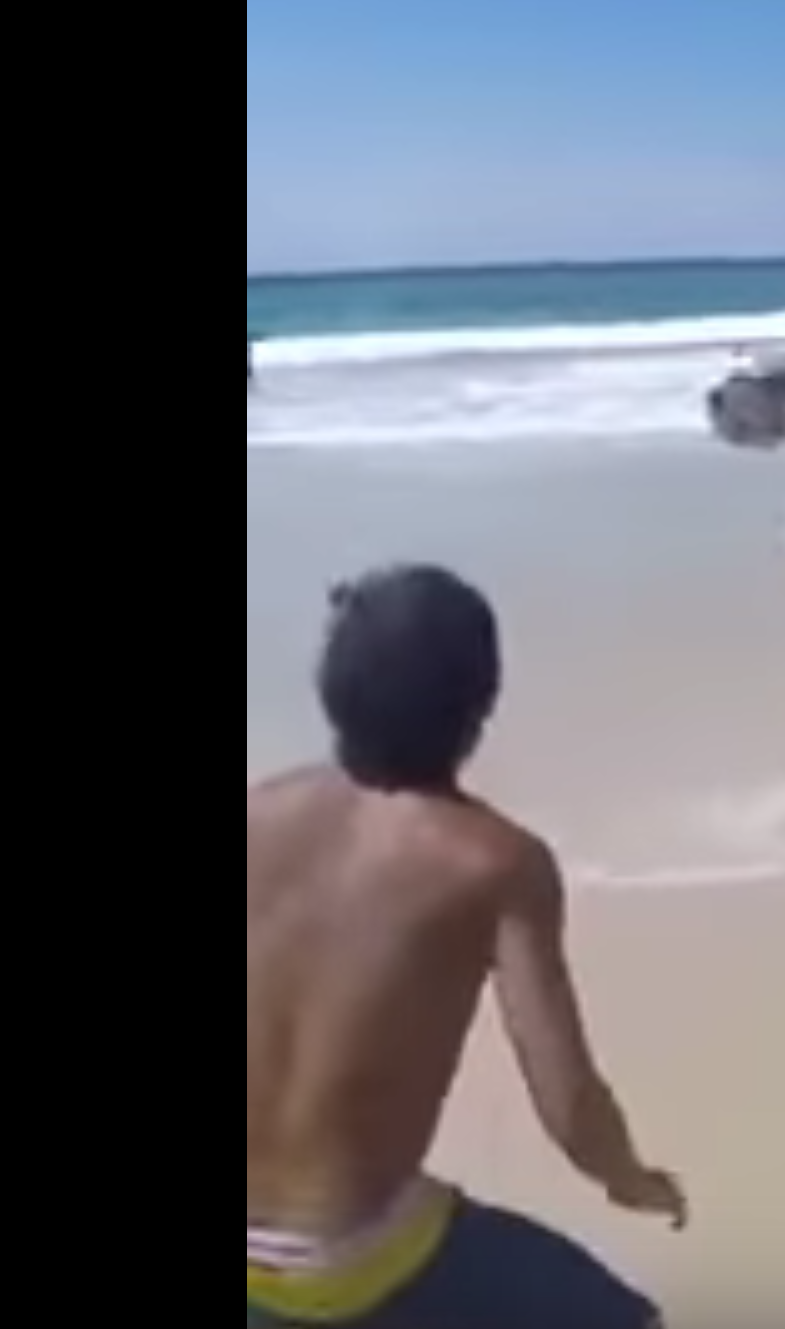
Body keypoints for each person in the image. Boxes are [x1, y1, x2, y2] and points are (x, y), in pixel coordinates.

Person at [248, 565, 685, 1328]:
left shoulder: (257, 814)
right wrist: (628, 1177)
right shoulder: (495, 863)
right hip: (346, 1262)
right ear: (479, 707)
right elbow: (568, 1098)